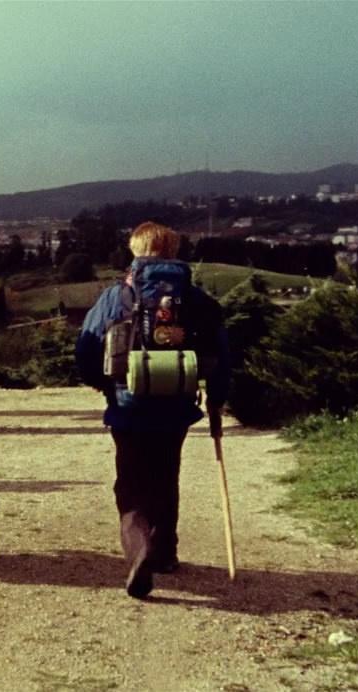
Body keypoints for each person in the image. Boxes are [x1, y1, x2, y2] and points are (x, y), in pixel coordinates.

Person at [74, 222, 229, 598]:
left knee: (129, 481)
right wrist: (217, 400)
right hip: (176, 404)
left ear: (135, 252)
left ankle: (138, 545)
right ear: (174, 253)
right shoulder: (196, 300)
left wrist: (105, 387)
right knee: (166, 474)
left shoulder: (113, 298)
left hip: (128, 406)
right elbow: (221, 356)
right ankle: (164, 551)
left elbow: (85, 351)